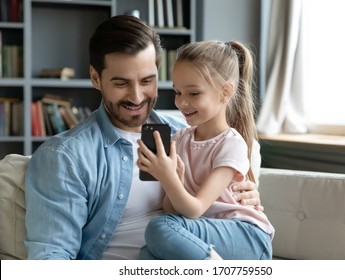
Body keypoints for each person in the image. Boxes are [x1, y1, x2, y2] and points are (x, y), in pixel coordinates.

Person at [24, 15, 262, 260]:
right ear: (96, 78)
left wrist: (240, 197)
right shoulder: (66, 156)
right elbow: (51, 257)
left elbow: (215, 209)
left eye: (147, 81)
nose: (136, 97)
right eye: (121, 83)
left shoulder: (187, 134)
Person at [136, 40, 274, 260]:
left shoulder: (231, 144)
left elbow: (195, 209)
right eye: (177, 92)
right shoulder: (180, 139)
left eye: (193, 93)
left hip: (246, 235)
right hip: (204, 232)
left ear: (225, 92)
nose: (181, 102)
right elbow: (172, 210)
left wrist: (168, 177)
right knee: (147, 254)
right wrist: (176, 180)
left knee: (159, 227)